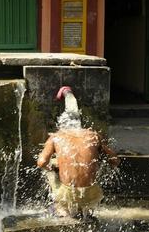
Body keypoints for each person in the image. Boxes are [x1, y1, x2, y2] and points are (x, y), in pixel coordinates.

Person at [36, 87, 120, 218]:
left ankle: (61, 209)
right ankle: (84, 211)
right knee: (96, 166)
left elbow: (41, 163)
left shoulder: (56, 136)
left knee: (50, 168)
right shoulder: (93, 134)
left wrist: (54, 167)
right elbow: (115, 160)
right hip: (92, 193)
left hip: (68, 193)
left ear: (61, 125)